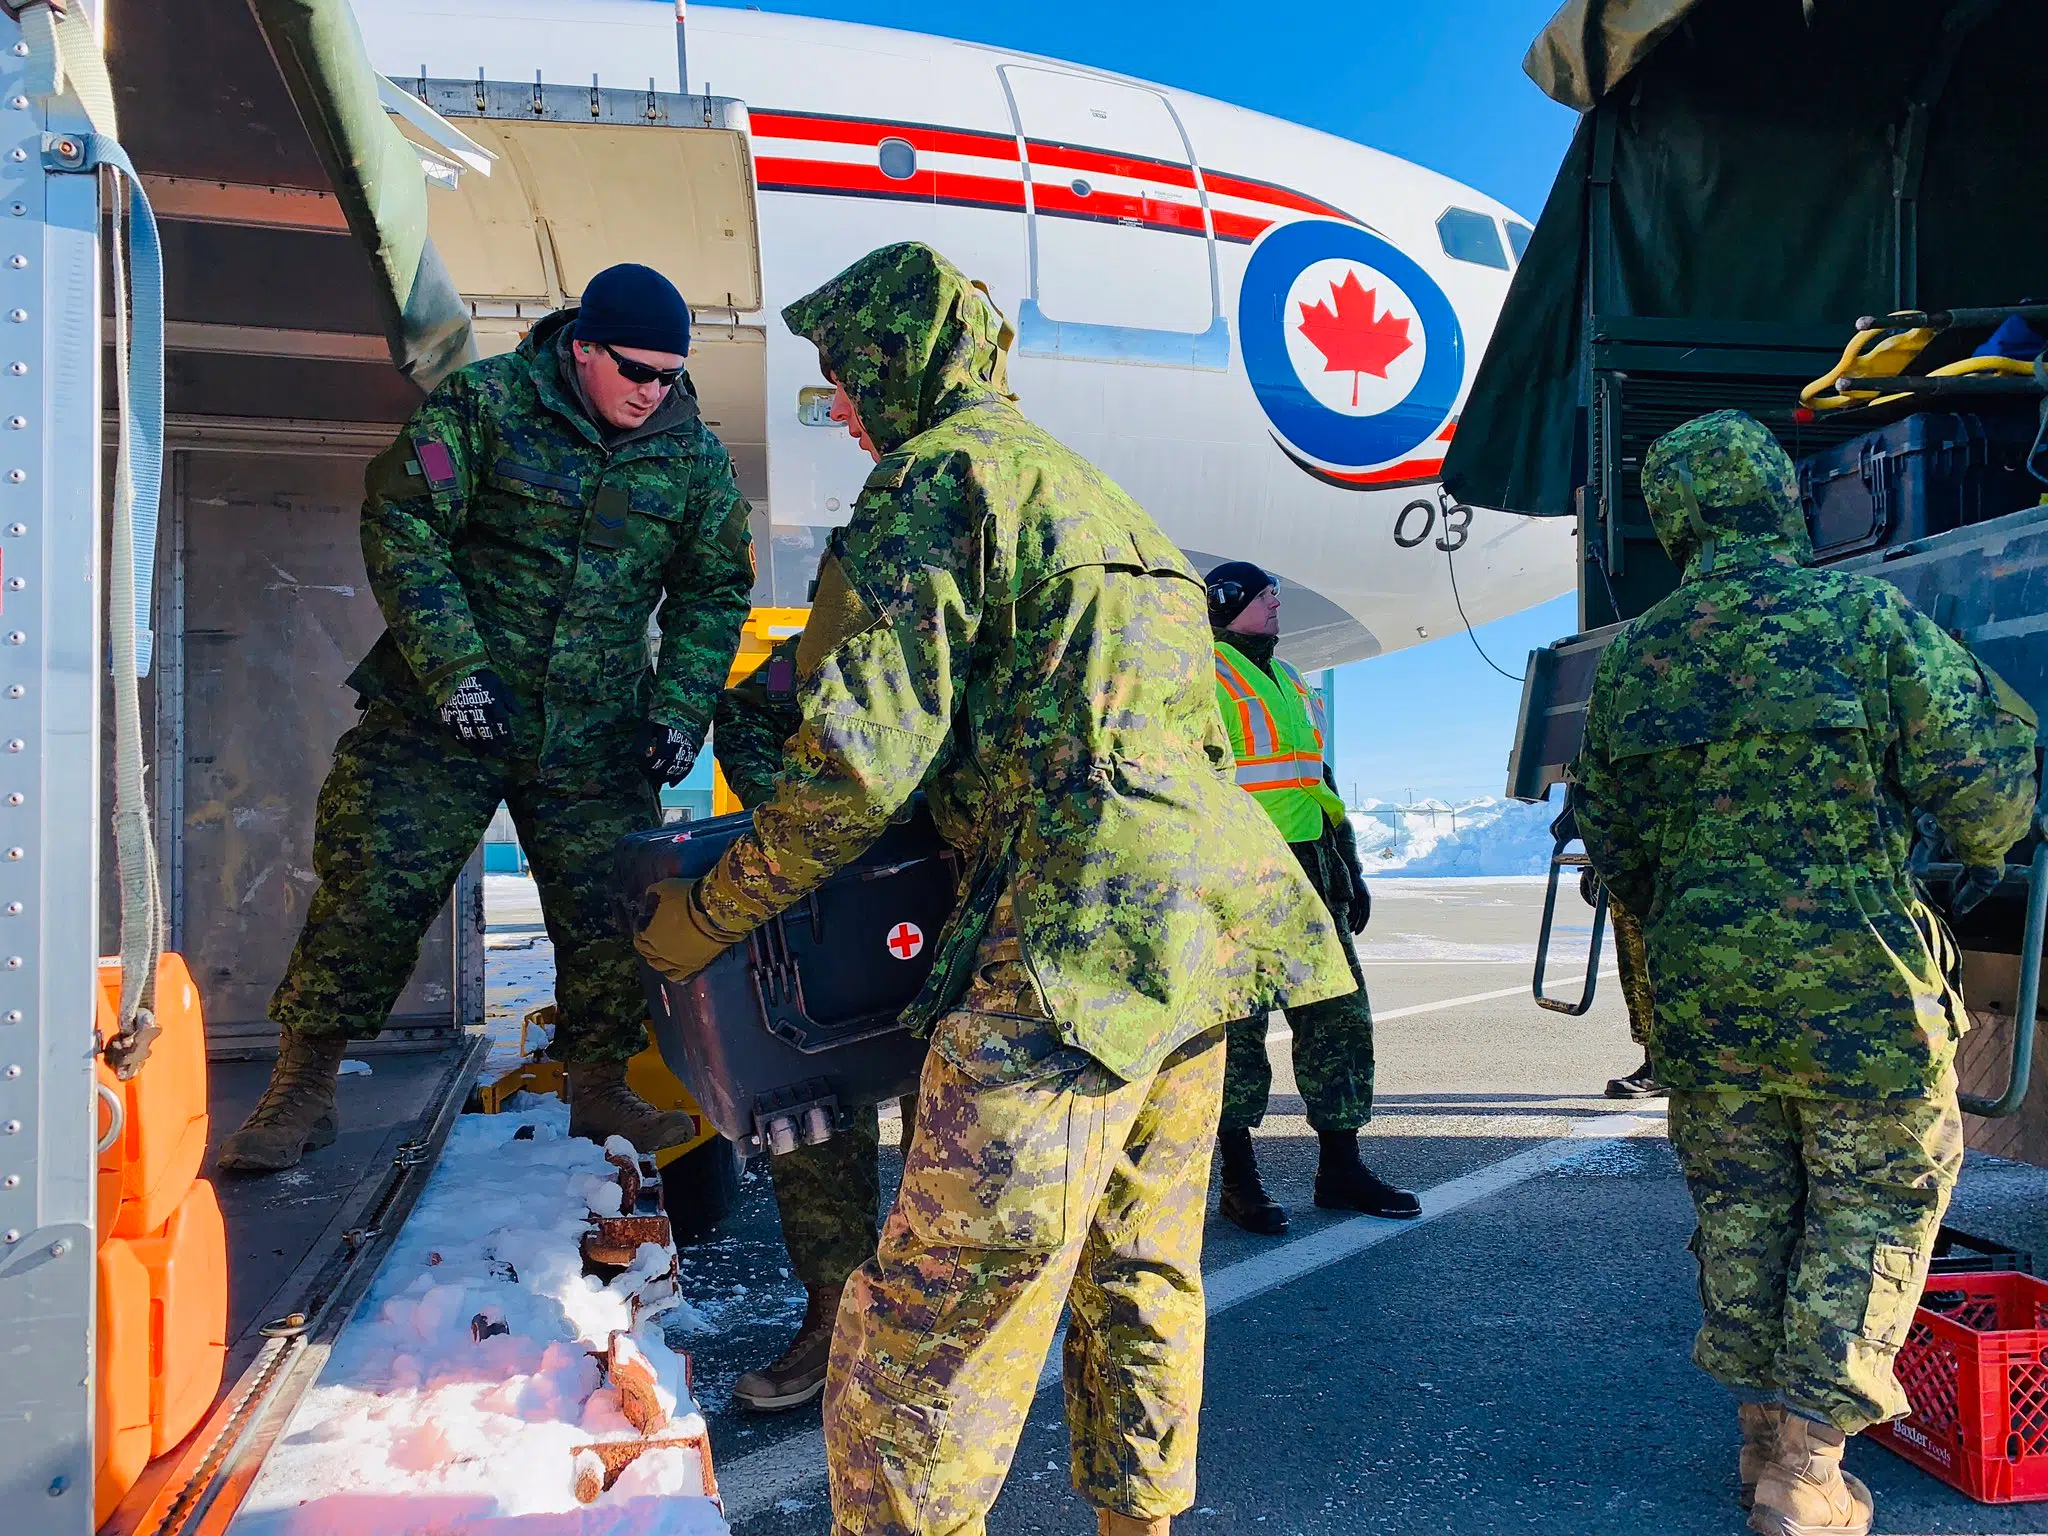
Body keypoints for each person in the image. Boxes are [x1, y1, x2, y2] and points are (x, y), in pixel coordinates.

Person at [634, 242, 1352, 1536]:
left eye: (845, 378)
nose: (841, 408)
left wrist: (709, 911)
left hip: (1073, 926)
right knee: (1136, 1274)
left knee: (924, 1330)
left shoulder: (935, 480)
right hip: (1209, 915)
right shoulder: (1099, 497)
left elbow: (858, 771)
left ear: (898, 364)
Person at [1573, 410, 2037, 1536]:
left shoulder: (1635, 656)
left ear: (1674, 519)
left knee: (1741, 1210)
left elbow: (1610, 845)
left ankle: (1753, 1442)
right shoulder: (1862, 618)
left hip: (1703, 1001)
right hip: (1859, 994)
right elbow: (1986, 799)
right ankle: (1806, 1472)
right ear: (1780, 500)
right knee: (1869, 1208)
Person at [219, 263, 755, 1173]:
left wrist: (679, 707)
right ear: (582, 347)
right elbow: (404, 520)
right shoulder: (486, 406)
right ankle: (301, 1090)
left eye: (669, 375)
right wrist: (457, 669)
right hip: (443, 716)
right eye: (635, 371)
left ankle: (599, 1086)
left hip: (593, 732)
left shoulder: (691, 455)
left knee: (611, 913)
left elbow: (712, 588)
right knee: (372, 889)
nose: (653, 392)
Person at [711, 632, 918, 1413]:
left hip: (959, 896)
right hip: (841, 904)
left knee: (965, 1131)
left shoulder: (980, 631)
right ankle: (835, 1319)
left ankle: (946, 1336)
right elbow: (745, 711)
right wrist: (809, 824)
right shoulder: (836, 640)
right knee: (817, 1104)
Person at [1204, 560, 1418, 1233]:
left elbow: (1315, 778)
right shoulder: (1201, 672)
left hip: (1313, 867)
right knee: (1238, 1032)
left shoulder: (1291, 679)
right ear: (1228, 601)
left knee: (1338, 1018)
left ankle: (1340, 1169)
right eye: (1265, 595)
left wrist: (1347, 862)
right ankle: (1239, 1181)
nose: (1276, 604)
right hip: (1242, 873)